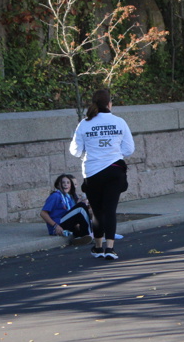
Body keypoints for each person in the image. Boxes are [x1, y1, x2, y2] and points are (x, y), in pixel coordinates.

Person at [70, 89, 134, 260]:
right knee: (110, 210)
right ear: (109, 104)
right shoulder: (119, 122)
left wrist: (89, 151)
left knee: (97, 212)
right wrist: (112, 152)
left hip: (93, 172)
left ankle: (98, 247)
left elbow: (75, 151)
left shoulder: (84, 124)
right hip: (114, 170)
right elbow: (129, 149)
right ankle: (110, 248)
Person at [40, 173, 93, 240]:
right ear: (58, 185)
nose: (65, 184)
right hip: (58, 224)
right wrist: (55, 226)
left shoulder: (68, 197)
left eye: (68, 183)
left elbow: (72, 214)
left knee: (84, 209)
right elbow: (43, 213)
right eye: (63, 182)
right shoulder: (55, 196)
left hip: (65, 222)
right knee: (81, 207)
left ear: (71, 185)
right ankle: (88, 234)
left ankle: (81, 236)